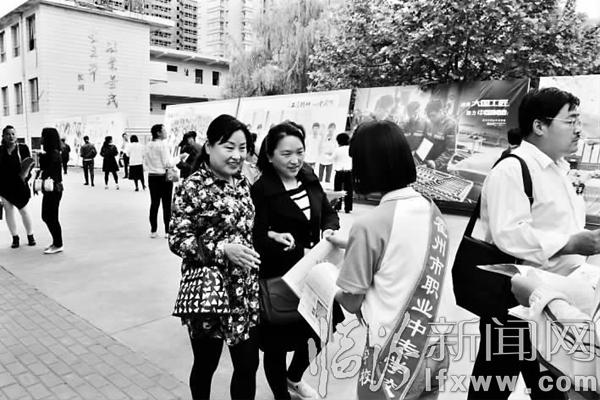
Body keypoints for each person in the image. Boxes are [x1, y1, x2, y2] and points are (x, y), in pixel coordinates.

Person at [468, 87, 600, 399]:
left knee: (550, 384)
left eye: (579, 121)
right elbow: (508, 233)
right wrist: (570, 244)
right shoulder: (513, 169)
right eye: (570, 121)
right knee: (493, 384)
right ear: (539, 126)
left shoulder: (560, 170)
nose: (578, 129)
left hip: (550, 301)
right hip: (514, 302)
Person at [329, 120, 449, 400]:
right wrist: (351, 244)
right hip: (435, 348)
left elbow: (351, 300)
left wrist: (324, 284)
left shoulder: (369, 225)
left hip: (391, 357)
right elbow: (403, 249)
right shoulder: (431, 209)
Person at [169, 114, 260, 400]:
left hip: (243, 291)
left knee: (247, 365)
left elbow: (246, 228)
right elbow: (178, 239)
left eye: (242, 148)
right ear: (209, 147)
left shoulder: (242, 183)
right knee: (206, 364)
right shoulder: (192, 187)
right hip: (208, 293)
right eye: (228, 147)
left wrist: (268, 235)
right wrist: (223, 250)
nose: (237, 155)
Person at [251, 121, 340, 400]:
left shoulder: (309, 176)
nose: (295, 160)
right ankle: (281, 394)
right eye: (286, 154)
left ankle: (294, 378)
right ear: (269, 156)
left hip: (316, 275)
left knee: (320, 331)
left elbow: (328, 212)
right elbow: (256, 237)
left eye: (299, 152)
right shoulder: (261, 190)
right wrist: (289, 247)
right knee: (277, 346)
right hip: (281, 277)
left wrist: (329, 229)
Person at [0, 125, 35, 248]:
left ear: (16, 135)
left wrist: (26, 178)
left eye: (13, 134)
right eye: (8, 134)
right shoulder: (0, 150)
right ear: (3, 136)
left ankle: (30, 235)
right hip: (4, 186)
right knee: (8, 211)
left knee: (24, 211)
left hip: (20, 185)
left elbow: (30, 165)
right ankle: (15, 237)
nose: (11, 136)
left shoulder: (23, 148)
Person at [37, 127, 64, 255]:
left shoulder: (53, 154)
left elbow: (48, 172)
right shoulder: (51, 153)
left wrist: (42, 160)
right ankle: (56, 242)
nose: (40, 138)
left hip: (54, 189)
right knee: (48, 216)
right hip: (51, 189)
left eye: (42, 136)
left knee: (50, 217)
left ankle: (58, 244)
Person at [144, 124, 174, 238]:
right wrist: (178, 158)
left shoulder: (148, 145)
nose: (166, 132)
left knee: (154, 203)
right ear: (158, 133)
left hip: (152, 177)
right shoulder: (162, 145)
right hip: (163, 177)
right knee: (166, 205)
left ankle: (153, 230)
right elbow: (167, 163)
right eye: (164, 130)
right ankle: (167, 231)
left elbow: (145, 162)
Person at [423, 99, 457, 172]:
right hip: (427, 162)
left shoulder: (450, 125)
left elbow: (450, 151)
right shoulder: (430, 123)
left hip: (440, 166)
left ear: (441, 111)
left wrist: (436, 163)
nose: (431, 118)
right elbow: (426, 142)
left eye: (433, 115)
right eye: (429, 116)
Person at [332, 132, 353, 213]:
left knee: (337, 190)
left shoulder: (337, 150)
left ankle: (337, 206)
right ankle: (348, 208)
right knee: (349, 190)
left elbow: (332, 158)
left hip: (339, 172)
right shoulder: (350, 149)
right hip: (349, 172)